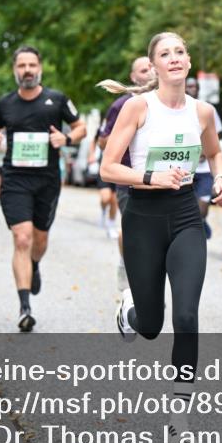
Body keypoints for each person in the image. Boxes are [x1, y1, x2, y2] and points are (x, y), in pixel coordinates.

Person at [99, 32, 222, 443]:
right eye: (164, 54)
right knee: (153, 326)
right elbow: (106, 168)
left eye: (179, 52)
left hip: (185, 216)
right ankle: (130, 311)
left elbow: (214, 155)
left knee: (187, 317)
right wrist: (148, 177)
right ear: (154, 66)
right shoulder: (138, 107)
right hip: (143, 217)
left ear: (188, 62)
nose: (173, 59)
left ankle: (179, 417)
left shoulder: (203, 111)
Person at [0, 45, 86, 332]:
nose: (26, 70)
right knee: (22, 238)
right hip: (14, 180)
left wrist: (66, 139)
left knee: (39, 241)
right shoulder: (5, 104)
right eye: (21, 66)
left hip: (47, 181)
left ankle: (34, 265)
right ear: (15, 70)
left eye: (31, 65)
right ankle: (24, 306)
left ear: (39, 68)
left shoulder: (57, 99)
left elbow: (80, 128)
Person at [94, 56, 154, 290]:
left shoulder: (166, 103)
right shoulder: (121, 106)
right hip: (128, 179)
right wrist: (128, 130)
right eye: (143, 69)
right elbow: (102, 142)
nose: (148, 72)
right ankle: (126, 264)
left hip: (161, 179)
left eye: (151, 67)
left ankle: (148, 281)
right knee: (132, 232)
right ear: (133, 77)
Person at [185, 76, 222, 239]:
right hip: (184, 168)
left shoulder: (207, 109)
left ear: (198, 89)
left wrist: (204, 151)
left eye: (194, 86)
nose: (191, 88)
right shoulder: (177, 108)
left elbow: (217, 133)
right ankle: (193, 231)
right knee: (187, 205)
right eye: (189, 86)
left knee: (202, 206)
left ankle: (200, 222)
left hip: (204, 169)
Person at [88, 121, 120, 239]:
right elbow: (94, 141)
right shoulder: (104, 126)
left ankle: (111, 226)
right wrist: (91, 155)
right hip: (105, 166)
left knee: (114, 200)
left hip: (120, 167)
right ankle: (103, 211)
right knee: (105, 197)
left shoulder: (125, 122)